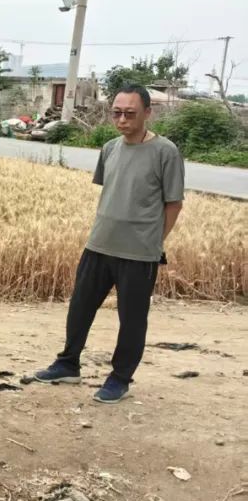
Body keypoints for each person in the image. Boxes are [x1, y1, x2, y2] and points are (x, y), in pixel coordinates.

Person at [34, 85, 184, 403]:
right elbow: (112, 191)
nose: (122, 120)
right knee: (79, 308)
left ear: (147, 113)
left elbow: (174, 203)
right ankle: (68, 364)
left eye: (130, 113)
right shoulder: (110, 148)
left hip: (139, 252)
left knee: (131, 320)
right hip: (99, 243)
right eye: (116, 113)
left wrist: (155, 242)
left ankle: (120, 378)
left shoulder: (166, 152)